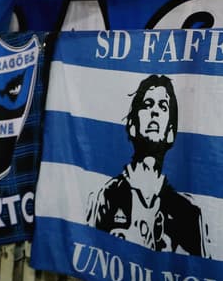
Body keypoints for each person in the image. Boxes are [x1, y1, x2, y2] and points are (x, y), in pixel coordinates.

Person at [87, 74, 208, 256]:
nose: (155, 112)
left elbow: (198, 266)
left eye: (163, 106)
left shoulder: (188, 212)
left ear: (170, 132)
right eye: (147, 104)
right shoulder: (107, 196)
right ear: (133, 126)